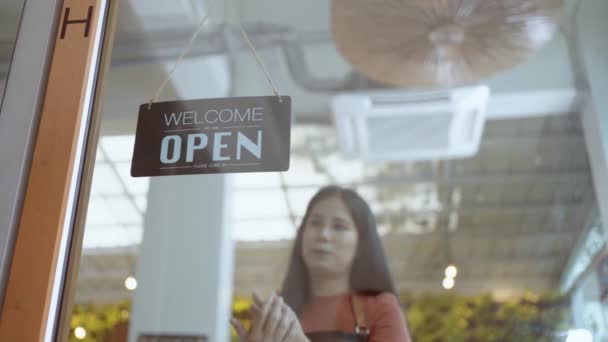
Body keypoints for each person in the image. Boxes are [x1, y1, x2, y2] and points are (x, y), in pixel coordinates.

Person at [232, 186, 412, 342]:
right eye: (315, 223)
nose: (323, 234)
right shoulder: (279, 312)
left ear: (361, 244)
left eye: (339, 226)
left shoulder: (380, 309)